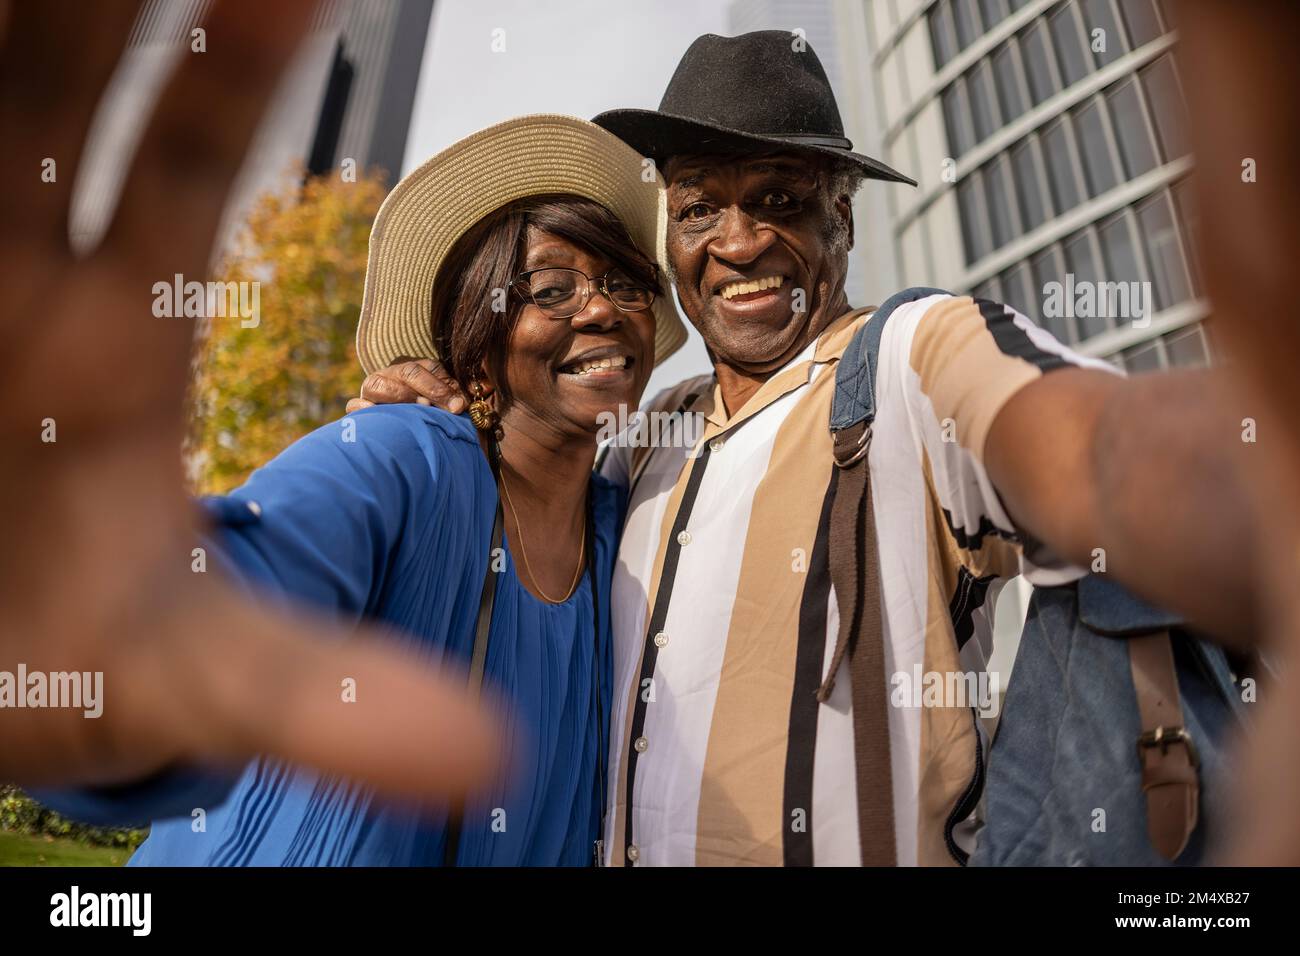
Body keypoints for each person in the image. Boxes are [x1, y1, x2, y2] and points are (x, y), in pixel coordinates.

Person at [354, 31, 1269, 866]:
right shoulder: (641, 442)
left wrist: (1218, 475)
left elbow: (1094, 445)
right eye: (699, 205)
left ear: (844, 217)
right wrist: (432, 400)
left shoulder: (912, 359)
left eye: (781, 200)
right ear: (669, 235)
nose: (740, 242)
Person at [35, 112, 688, 865]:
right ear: (477, 341)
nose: (603, 309)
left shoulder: (625, 527)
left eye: (623, 283)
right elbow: (233, 590)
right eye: (551, 289)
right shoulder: (405, 454)